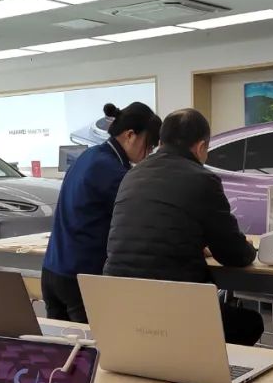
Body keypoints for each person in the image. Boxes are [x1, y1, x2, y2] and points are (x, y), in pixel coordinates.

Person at [103, 108, 264, 346]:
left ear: (161, 141)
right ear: (201, 147)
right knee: (250, 323)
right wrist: (248, 248)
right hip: (177, 310)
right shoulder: (202, 179)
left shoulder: (132, 176)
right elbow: (234, 255)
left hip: (122, 305)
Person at [42, 102, 161, 323]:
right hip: (79, 277)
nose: (149, 153)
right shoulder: (112, 170)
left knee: (60, 343)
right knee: (94, 345)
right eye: (150, 145)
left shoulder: (90, 156)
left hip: (53, 269)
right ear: (130, 135)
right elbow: (138, 221)